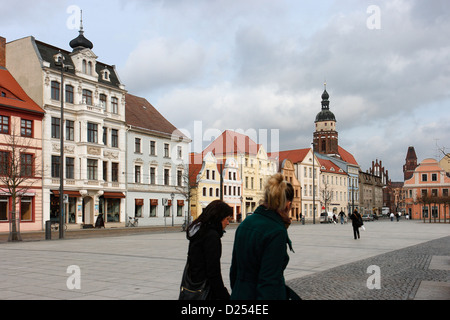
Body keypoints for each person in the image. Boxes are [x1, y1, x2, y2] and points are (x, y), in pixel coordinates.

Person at [230, 173, 300, 300]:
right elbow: (270, 283)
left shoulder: (245, 224)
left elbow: (234, 271)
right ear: (288, 205)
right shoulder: (275, 231)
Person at [184, 200, 233, 300]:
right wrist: (223, 295)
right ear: (218, 218)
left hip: (194, 285)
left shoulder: (198, 232)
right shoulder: (211, 236)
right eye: (227, 219)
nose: (228, 223)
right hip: (206, 291)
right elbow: (213, 271)